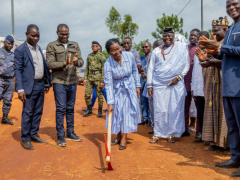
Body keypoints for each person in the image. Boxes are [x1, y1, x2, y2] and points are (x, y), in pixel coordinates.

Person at [198, 0, 240, 177]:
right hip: (228, 84)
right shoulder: (231, 29)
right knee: (232, 125)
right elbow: (225, 52)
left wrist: (220, 47)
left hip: (238, 85)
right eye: (228, 6)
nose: (231, 8)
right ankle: (236, 157)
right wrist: (212, 51)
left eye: (235, 4)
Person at [147, 27, 189, 143]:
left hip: (176, 83)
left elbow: (186, 65)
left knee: (173, 109)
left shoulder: (181, 48)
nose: (167, 38)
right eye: (165, 36)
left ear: (173, 36)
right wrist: (149, 85)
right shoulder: (156, 51)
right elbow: (150, 69)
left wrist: (178, 77)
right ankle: (158, 133)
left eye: (169, 35)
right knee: (160, 109)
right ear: (162, 37)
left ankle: (171, 134)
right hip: (159, 84)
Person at [15, 24, 51, 150]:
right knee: (28, 112)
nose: (36, 38)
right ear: (26, 34)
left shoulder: (39, 48)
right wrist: (20, 89)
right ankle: (25, 138)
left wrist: (46, 82)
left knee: (38, 111)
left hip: (40, 84)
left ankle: (34, 134)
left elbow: (43, 66)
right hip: (28, 86)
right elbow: (18, 70)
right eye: (33, 36)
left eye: (38, 36)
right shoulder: (20, 50)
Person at [46, 24, 84, 147]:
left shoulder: (75, 44)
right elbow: (50, 64)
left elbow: (81, 61)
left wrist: (76, 62)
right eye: (62, 34)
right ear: (57, 33)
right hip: (59, 82)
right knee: (61, 108)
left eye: (67, 33)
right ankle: (61, 136)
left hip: (72, 81)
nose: (65, 36)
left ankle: (70, 133)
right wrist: (64, 63)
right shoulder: (52, 45)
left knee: (70, 108)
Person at [197, 18, 229, 151]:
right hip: (212, 80)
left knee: (223, 110)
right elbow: (211, 61)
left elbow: (228, 61)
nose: (213, 34)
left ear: (225, 30)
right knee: (211, 108)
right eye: (213, 31)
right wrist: (205, 60)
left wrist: (212, 60)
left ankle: (224, 144)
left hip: (224, 80)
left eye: (216, 31)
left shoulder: (228, 44)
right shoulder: (212, 44)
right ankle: (213, 141)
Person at [104, 38, 141, 150]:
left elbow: (135, 70)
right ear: (109, 52)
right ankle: (119, 135)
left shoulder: (129, 56)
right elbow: (108, 83)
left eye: (118, 48)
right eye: (113, 50)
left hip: (129, 88)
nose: (117, 52)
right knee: (117, 113)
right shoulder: (107, 64)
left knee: (126, 113)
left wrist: (137, 85)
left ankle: (124, 137)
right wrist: (110, 102)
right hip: (116, 90)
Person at [142, 40, 164, 134]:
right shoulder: (151, 56)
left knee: (162, 107)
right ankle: (154, 126)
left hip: (162, 86)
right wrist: (146, 74)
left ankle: (162, 127)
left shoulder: (165, 55)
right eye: (155, 48)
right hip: (152, 86)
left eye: (158, 47)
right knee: (152, 107)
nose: (156, 50)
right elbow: (148, 68)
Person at [182, 28, 200, 137]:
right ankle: (185, 128)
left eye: (194, 35)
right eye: (191, 35)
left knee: (198, 107)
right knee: (185, 106)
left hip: (197, 82)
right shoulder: (184, 48)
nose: (192, 37)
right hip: (185, 81)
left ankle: (199, 130)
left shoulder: (200, 49)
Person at [191, 31, 208, 142]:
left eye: (201, 39)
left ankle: (207, 135)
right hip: (198, 89)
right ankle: (199, 132)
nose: (198, 41)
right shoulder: (197, 53)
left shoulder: (210, 52)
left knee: (208, 113)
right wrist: (193, 89)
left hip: (207, 89)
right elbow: (194, 72)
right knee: (200, 112)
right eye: (198, 39)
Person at [83, 41, 106, 117]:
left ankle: (99, 111)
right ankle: (89, 109)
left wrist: (103, 81)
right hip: (90, 78)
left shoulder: (102, 56)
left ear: (99, 47)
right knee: (87, 94)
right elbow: (87, 68)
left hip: (98, 78)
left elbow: (104, 69)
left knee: (99, 95)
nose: (94, 47)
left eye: (96, 46)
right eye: (93, 46)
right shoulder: (89, 56)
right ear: (91, 47)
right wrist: (85, 78)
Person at [0, 35, 15, 125]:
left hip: (10, 80)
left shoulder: (13, 55)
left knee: (8, 100)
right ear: (4, 42)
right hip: (0, 79)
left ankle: (5, 118)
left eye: (12, 44)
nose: (10, 45)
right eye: (8, 43)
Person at [139, 42, 151, 126]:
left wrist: (146, 70)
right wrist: (142, 70)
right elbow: (139, 69)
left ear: (150, 47)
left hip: (150, 82)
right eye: (143, 47)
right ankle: (144, 118)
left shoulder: (153, 56)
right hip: (142, 82)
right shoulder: (141, 58)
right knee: (143, 101)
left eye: (146, 46)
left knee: (150, 102)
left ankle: (150, 119)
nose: (144, 48)